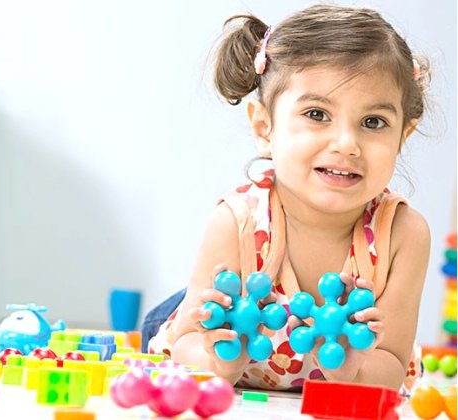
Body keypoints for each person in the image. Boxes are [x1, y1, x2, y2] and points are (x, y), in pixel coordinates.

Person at [143, 4, 431, 394]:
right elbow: (187, 345)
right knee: (173, 319)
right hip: (188, 320)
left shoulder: (403, 233)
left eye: (373, 122)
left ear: (403, 135)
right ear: (264, 127)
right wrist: (219, 360)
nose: (346, 144)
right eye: (317, 114)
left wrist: (352, 371)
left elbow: (392, 364)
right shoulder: (238, 220)